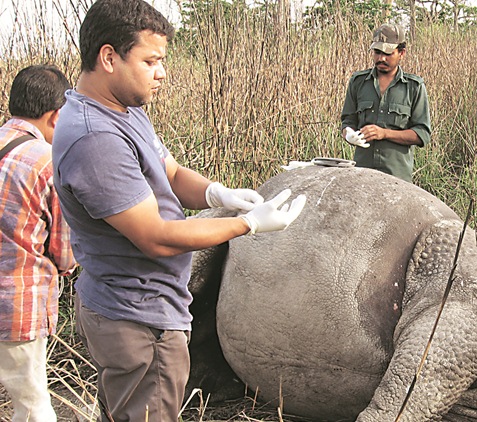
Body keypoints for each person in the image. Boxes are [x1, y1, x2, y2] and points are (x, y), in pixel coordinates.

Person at [51, 0, 306, 420]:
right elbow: (155, 237)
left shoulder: (125, 109)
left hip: (147, 307)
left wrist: (217, 194)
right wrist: (246, 225)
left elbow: (168, 171)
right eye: (151, 60)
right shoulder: (95, 138)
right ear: (109, 57)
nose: (162, 73)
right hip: (136, 319)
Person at [0, 65, 76, 422]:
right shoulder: (47, 162)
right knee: (33, 408)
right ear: (56, 115)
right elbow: (64, 255)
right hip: (17, 308)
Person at [340, 23, 432, 183]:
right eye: (377, 52)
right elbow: (347, 122)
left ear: (401, 53)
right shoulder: (358, 82)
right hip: (362, 175)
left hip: (397, 179)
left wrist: (384, 133)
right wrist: (349, 134)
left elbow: (422, 134)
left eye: (388, 53)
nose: (381, 58)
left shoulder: (413, 87)